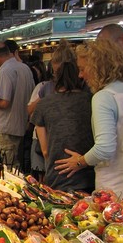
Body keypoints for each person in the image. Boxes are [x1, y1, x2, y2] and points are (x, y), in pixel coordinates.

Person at [55, 39, 123, 199]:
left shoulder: (105, 97)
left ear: (97, 67)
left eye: (82, 69)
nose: (80, 75)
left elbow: (105, 148)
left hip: (117, 186)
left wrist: (79, 161)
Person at [30, 61, 95, 192]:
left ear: (56, 78)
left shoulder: (44, 104)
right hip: (88, 172)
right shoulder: (92, 100)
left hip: (58, 173)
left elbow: (45, 150)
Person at [27, 40, 77, 181]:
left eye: (58, 73)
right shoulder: (45, 88)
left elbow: (45, 150)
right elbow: (31, 112)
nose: (57, 77)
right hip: (53, 143)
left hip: (54, 144)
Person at [0, 42, 35, 169]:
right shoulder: (24, 68)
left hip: (7, 126)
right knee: (19, 167)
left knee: (9, 168)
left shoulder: (5, 70)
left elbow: (4, 102)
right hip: (22, 124)